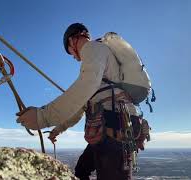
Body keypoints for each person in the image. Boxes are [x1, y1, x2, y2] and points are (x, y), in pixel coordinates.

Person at [17, 23, 142, 180]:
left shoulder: (93, 48)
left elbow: (86, 85)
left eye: (69, 52)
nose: (74, 57)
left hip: (114, 125)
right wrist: (58, 129)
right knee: (81, 170)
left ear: (72, 41)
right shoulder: (99, 62)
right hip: (111, 126)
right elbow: (82, 105)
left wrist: (43, 116)